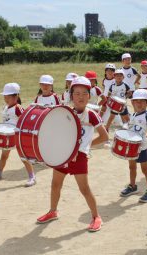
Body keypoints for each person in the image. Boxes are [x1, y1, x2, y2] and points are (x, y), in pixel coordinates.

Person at [36, 76, 109, 232]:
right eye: (76, 93)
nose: (80, 96)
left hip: (80, 157)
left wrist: (87, 146)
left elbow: (104, 137)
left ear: (90, 95)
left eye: (84, 93)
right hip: (64, 154)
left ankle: (96, 217)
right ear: (71, 95)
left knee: (84, 189)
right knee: (55, 184)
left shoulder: (92, 115)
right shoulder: (66, 112)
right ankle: (52, 211)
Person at [0, 83, 36, 187]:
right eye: (5, 97)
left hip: (17, 136)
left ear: (16, 96)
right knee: (4, 156)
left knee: (23, 157)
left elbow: (25, 120)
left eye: (9, 97)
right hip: (8, 137)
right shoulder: (5, 107)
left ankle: (32, 177)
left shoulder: (17, 108)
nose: (6, 99)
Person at [120, 89, 147, 203]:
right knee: (132, 167)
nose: (139, 104)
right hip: (132, 146)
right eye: (136, 101)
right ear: (133, 103)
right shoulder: (134, 114)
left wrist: (144, 139)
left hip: (142, 147)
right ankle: (132, 186)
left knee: (145, 169)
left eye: (142, 101)